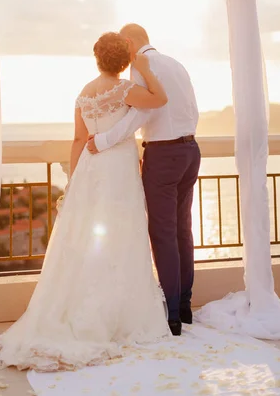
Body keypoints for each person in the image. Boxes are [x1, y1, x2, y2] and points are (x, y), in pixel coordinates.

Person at [0, 32, 170, 372]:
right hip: (117, 167)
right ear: (123, 60)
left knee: (86, 239)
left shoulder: (83, 95)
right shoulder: (125, 90)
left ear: (97, 58)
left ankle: (81, 309)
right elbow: (160, 99)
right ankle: (116, 315)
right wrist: (144, 67)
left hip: (89, 168)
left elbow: (77, 139)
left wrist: (73, 181)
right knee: (122, 235)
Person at [88, 24, 201, 336]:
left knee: (162, 233)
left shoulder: (143, 67)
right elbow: (192, 109)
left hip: (164, 155)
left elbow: (140, 115)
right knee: (182, 228)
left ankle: (173, 314)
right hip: (191, 149)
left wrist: (104, 139)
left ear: (128, 42)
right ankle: (186, 305)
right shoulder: (176, 64)